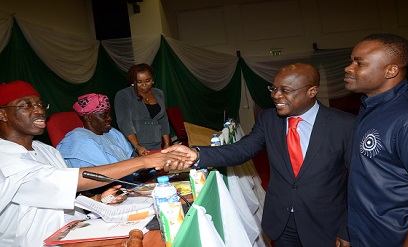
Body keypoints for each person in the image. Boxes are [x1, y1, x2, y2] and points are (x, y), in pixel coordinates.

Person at [164, 63, 356, 247]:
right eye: (273, 88)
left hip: (326, 224)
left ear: (311, 91)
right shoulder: (269, 119)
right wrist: (196, 154)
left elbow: (358, 182)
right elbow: (242, 149)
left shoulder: (344, 125)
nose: (276, 95)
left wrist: (347, 228)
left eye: (285, 90)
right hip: (281, 223)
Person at [0, 80, 191, 247]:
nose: (39, 110)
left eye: (40, 104)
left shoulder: (46, 150)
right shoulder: (4, 157)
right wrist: (144, 161)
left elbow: (60, 197)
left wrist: (98, 200)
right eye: (26, 105)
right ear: (3, 115)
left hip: (76, 231)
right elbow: (66, 182)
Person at [344, 33, 408, 247]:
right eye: (351, 61)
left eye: (359, 63)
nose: (349, 68)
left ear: (391, 70)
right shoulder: (372, 105)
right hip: (365, 234)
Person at [114, 63, 171, 157]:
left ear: (152, 79)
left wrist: (167, 144)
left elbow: (163, 120)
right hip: (135, 145)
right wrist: (137, 146)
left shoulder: (159, 93)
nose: (144, 85)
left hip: (156, 143)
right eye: (139, 82)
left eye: (148, 81)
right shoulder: (124, 95)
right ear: (133, 81)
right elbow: (124, 123)